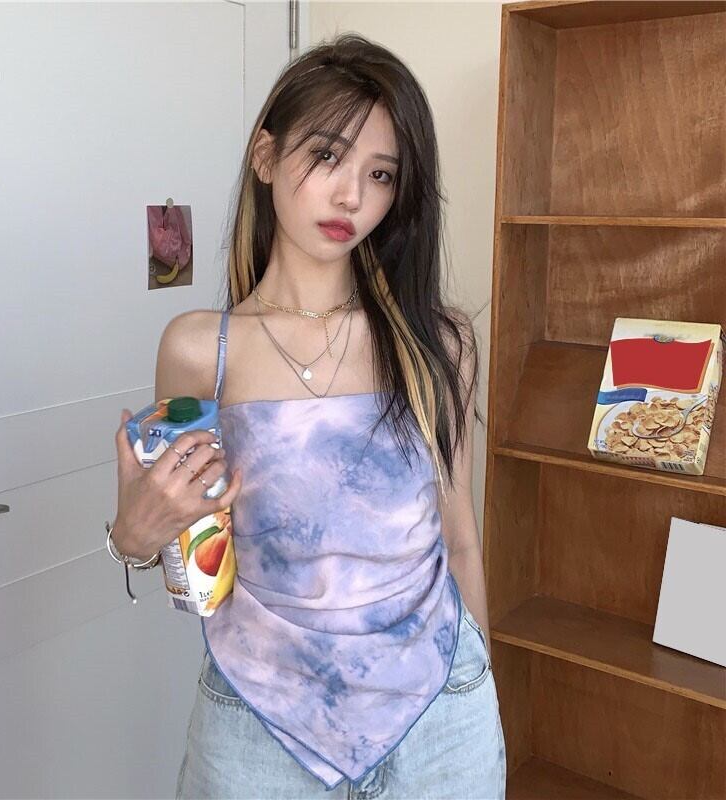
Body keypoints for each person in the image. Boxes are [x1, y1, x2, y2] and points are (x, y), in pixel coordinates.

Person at [113, 32, 506, 800]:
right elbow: (194, 569)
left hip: (440, 714)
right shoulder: (198, 349)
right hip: (259, 719)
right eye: (328, 156)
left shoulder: (440, 341)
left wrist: (479, 689)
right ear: (266, 156)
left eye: (380, 174)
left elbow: (459, 536)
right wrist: (134, 538)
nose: (352, 196)